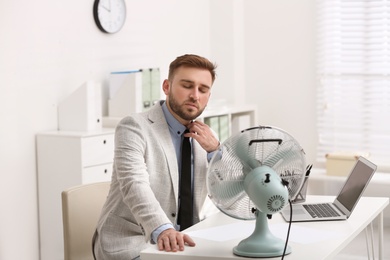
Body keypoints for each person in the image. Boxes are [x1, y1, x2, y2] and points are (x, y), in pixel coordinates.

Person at [93, 54, 220, 260]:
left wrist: (216, 150)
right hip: (132, 241)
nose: (195, 95)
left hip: (186, 243)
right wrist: (163, 229)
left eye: (203, 89)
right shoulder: (134, 127)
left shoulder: (208, 136)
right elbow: (134, 184)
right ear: (167, 86)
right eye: (187, 85)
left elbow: (229, 188)